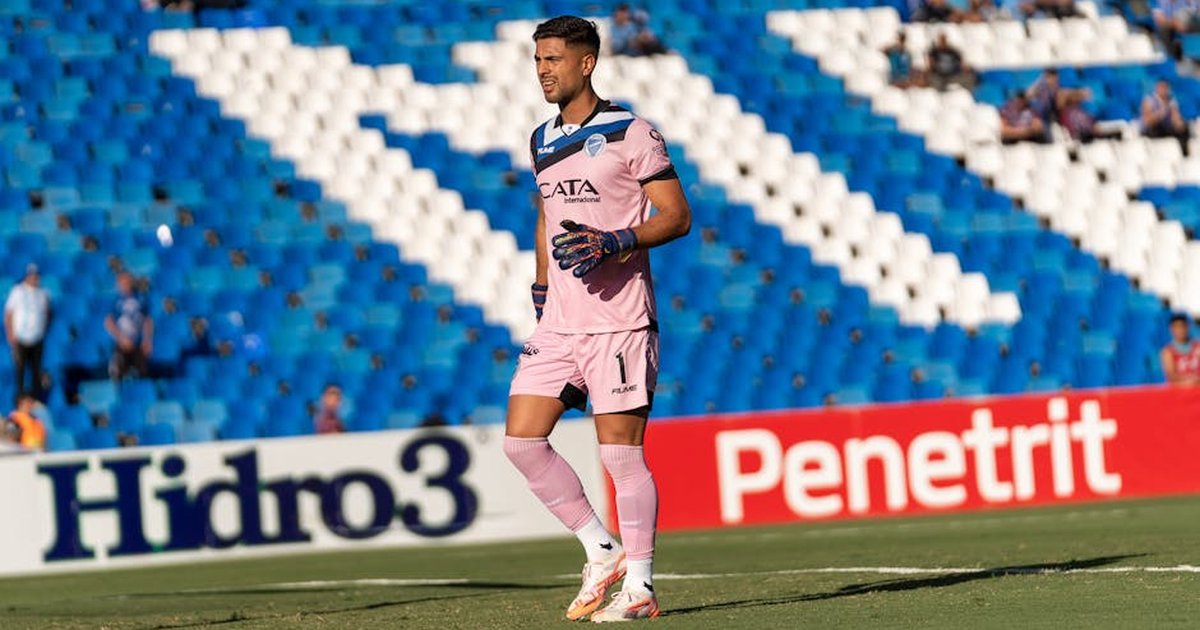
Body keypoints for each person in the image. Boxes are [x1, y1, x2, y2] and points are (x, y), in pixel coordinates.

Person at [506, 16, 690, 622]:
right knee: (522, 441)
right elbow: (546, 215)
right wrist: (540, 288)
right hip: (560, 320)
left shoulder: (632, 132)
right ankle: (599, 547)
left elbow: (676, 215)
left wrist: (617, 240)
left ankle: (640, 586)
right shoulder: (541, 138)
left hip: (620, 322)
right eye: (537, 60)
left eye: (553, 59)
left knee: (620, 457)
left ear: (586, 63)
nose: (543, 70)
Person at [5, 263, 49, 404]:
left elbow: (47, 313)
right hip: (21, 338)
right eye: (32, 275)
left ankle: (35, 399)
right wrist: (10, 335)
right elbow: (9, 313)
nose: (34, 278)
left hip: (36, 337)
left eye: (36, 276)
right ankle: (20, 400)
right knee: (20, 370)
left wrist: (43, 329)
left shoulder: (42, 293)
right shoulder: (18, 291)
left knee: (36, 369)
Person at [104, 272, 153, 381]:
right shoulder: (115, 301)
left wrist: (147, 340)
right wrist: (121, 338)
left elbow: (147, 320)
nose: (123, 285)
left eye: (126, 282)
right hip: (122, 344)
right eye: (121, 283)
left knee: (143, 374)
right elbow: (109, 322)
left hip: (138, 344)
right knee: (118, 373)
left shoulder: (141, 299)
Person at [1142, 79, 1191, 156]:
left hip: (1166, 127)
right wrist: (1160, 113)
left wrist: (1180, 124)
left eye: (1165, 88)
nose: (1163, 90)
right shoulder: (1149, 100)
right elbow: (1147, 121)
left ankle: (1185, 153)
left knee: (1184, 128)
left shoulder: (1171, 100)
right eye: (1161, 87)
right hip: (1152, 129)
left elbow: (1175, 117)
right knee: (1158, 128)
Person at [1058, 90, 1122, 143]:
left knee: (1120, 127)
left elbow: (1094, 125)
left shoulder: (1080, 112)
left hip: (1091, 136)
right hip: (1084, 140)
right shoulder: (1066, 114)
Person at [1161, 314, 1200, 386]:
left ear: (1187, 327)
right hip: (1179, 393)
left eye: (1182, 326)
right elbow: (1171, 376)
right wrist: (1190, 380)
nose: (1180, 330)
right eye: (1177, 327)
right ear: (1171, 329)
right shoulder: (1168, 351)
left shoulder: (1198, 347)